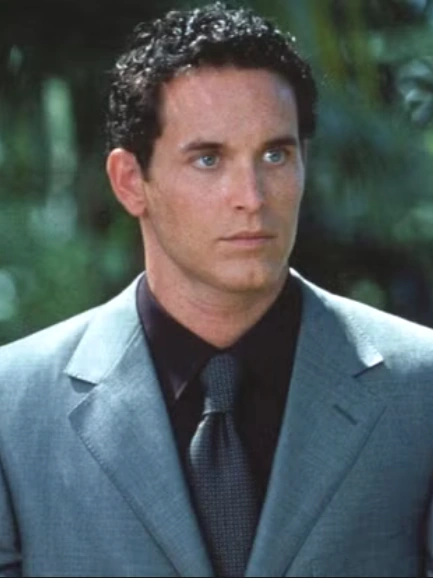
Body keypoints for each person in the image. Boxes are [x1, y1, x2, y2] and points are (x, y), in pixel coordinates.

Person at [1, 3, 433, 577]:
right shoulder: (12, 406)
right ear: (131, 182)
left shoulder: (420, 389)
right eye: (209, 159)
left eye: (275, 155)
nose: (252, 197)